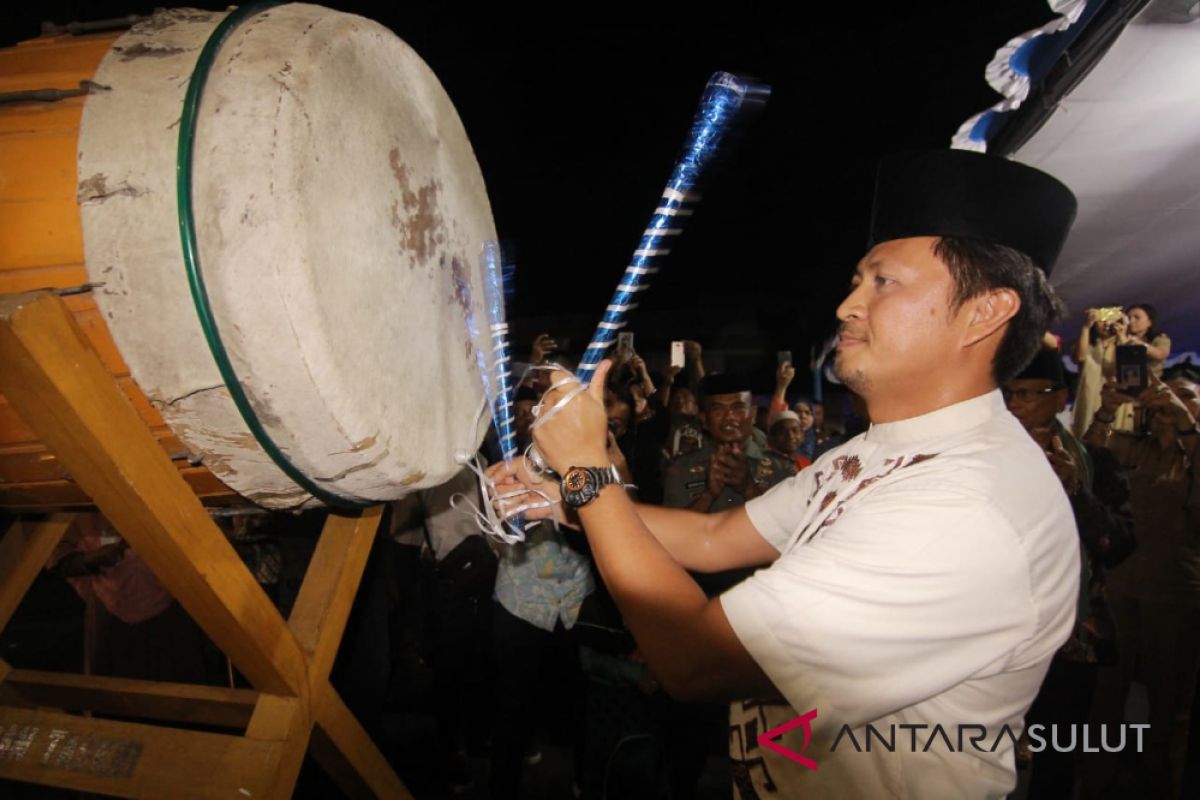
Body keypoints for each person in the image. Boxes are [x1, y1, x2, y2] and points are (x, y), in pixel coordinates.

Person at [491, 148, 1080, 798]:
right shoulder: (886, 450)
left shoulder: (966, 507)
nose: (847, 306)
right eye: (857, 280)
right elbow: (717, 539)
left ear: (985, 312)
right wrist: (556, 500)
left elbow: (695, 658)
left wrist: (586, 471)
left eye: (883, 282)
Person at [1083, 373, 1200, 800]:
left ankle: (1162, 783)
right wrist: (1108, 407)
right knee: (1107, 694)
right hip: (1121, 587)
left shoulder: (1193, 455)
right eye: (1166, 396)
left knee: (1169, 702)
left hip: (1176, 592)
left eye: (1186, 396)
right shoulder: (1135, 448)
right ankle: (1096, 780)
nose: (1171, 404)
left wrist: (1186, 420)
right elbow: (1090, 456)